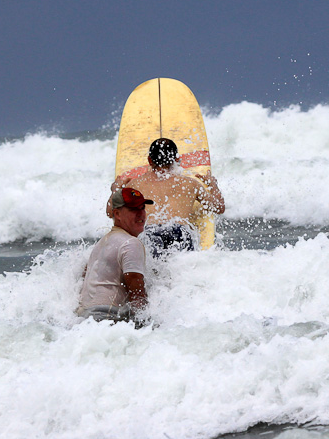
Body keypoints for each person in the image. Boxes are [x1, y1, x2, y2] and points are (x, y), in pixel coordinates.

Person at [111, 138, 225, 254]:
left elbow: (111, 212)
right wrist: (213, 185)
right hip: (180, 232)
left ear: (150, 161)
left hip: (149, 233)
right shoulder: (190, 183)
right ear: (177, 160)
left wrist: (115, 189)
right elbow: (219, 207)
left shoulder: (134, 185)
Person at [77, 186, 154, 323]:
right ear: (117, 214)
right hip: (106, 318)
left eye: (142, 208)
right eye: (133, 209)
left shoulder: (101, 243)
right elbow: (137, 298)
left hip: (83, 319)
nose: (140, 214)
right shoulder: (130, 244)